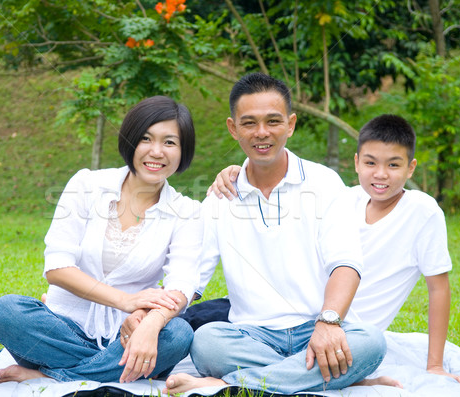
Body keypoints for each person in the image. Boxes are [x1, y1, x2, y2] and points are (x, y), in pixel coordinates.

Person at [159, 73, 386, 395]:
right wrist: (155, 317)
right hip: (252, 334)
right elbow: (192, 279)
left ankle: (227, 384)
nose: (261, 133)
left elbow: (345, 264)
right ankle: (318, 373)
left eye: (273, 121)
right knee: (207, 344)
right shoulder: (220, 198)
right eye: (249, 123)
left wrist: (329, 323)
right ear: (233, 128)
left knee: (371, 342)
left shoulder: (324, 183)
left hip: (317, 324)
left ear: (291, 124)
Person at [206, 114, 460, 386]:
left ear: (411, 168)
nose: (380, 174)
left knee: (371, 344)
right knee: (206, 332)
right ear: (356, 162)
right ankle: (333, 378)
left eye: (393, 165)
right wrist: (237, 172)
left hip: (347, 331)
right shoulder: (344, 196)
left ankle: (232, 383)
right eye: (370, 163)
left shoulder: (423, 213)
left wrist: (435, 365)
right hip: (298, 316)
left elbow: (438, 288)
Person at [0, 96, 202, 385]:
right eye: (146, 138)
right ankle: (100, 373)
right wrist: (126, 301)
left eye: (169, 142)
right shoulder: (87, 185)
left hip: (127, 339)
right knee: (7, 310)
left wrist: (151, 323)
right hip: (61, 331)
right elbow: (57, 268)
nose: (156, 151)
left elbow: (182, 285)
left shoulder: (186, 212)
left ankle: (45, 376)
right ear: (131, 142)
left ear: (183, 151)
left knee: (178, 334)